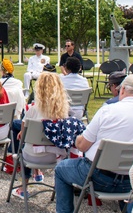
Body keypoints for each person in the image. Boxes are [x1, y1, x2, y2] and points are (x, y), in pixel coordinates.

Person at [47, 74, 133, 213]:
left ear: (121, 90)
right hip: (132, 183)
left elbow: (82, 145)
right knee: (128, 165)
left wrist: (78, 138)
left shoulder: (108, 111)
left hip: (98, 178)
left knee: (61, 169)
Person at [11, 71, 84, 199]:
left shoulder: (31, 108)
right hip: (56, 156)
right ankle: (39, 174)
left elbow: (24, 137)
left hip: (32, 156)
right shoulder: (64, 111)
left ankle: (23, 188)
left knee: (24, 146)